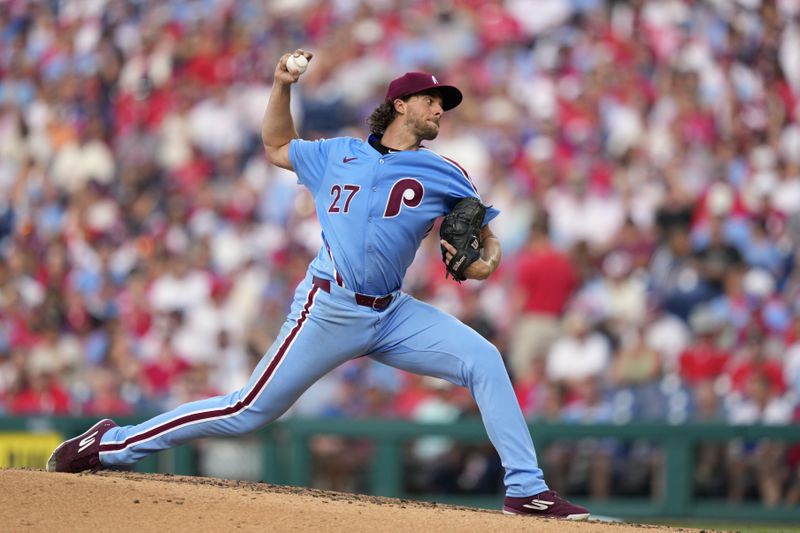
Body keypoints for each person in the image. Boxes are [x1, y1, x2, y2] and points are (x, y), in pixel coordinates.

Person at [46, 50, 589, 521]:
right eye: (430, 100)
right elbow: (277, 145)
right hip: (328, 307)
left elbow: (486, 246)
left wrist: (484, 264)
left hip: (393, 314)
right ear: (400, 105)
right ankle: (110, 444)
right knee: (246, 411)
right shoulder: (337, 154)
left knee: (485, 359)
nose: (439, 109)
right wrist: (282, 86)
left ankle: (527, 490)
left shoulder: (446, 172)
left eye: (442, 103)